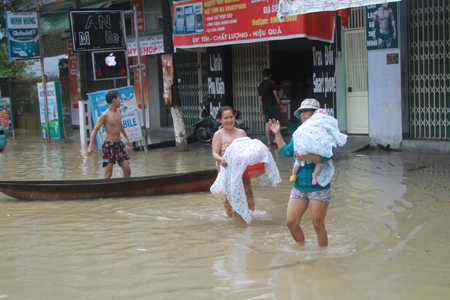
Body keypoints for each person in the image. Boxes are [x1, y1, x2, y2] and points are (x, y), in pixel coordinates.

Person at [268, 98, 333, 246]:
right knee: (291, 222)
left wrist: (304, 156)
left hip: (319, 185)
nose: (302, 114)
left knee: (317, 224)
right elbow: (285, 152)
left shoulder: (325, 133)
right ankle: (302, 250)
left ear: (316, 114)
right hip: (299, 185)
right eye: (301, 111)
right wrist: (277, 133)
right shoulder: (299, 134)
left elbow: (327, 155)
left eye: (306, 111)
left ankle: (322, 260)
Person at [212, 106, 255, 218]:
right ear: (220, 120)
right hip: (226, 171)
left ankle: (244, 219)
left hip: (242, 172)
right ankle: (233, 220)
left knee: (244, 195)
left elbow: (248, 150)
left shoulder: (241, 133)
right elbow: (215, 153)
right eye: (225, 118)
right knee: (231, 198)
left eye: (231, 117)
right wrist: (221, 160)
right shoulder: (218, 135)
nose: (229, 120)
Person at [87, 90, 131, 179]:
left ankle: (125, 188)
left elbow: (120, 125)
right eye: (119, 99)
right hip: (109, 146)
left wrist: (126, 138)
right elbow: (95, 130)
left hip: (119, 144)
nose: (120, 101)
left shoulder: (119, 111)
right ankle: (103, 190)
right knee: (108, 173)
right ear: (114, 100)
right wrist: (90, 145)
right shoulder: (105, 115)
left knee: (127, 169)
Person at [258, 69, 283, 146]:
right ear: (270, 75)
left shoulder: (260, 86)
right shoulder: (272, 83)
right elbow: (276, 94)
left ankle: (269, 141)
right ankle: (276, 139)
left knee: (267, 123)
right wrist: (280, 103)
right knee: (276, 121)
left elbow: (260, 99)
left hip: (265, 106)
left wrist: (262, 108)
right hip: (272, 105)